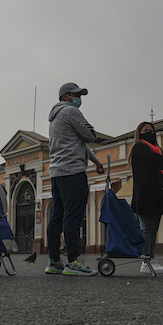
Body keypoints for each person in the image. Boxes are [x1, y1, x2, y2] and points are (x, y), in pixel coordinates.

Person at [45, 83, 104, 276]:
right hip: (72, 171)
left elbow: (76, 141)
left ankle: (54, 261)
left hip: (57, 172)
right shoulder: (71, 112)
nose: (80, 98)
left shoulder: (55, 117)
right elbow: (90, 136)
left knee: (57, 215)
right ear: (66, 96)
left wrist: (95, 161)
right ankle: (73, 261)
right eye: (77, 94)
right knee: (73, 215)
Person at [128, 121, 163, 274]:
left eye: (151, 130)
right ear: (139, 133)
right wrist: (162, 160)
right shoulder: (139, 148)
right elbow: (162, 162)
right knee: (147, 228)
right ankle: (146, 260)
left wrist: (162, 160)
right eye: (146, 130)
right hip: (145, 194)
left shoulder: (155, 150)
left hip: (155, 194)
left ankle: (151, 259)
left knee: (153, 229)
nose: (149, 133)